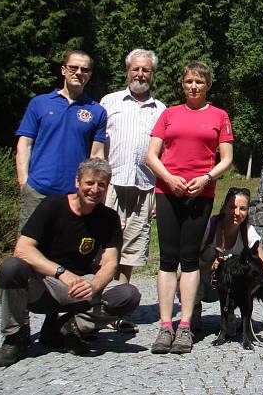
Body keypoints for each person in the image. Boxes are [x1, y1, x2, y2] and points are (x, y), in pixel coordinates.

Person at [0, 158, 141, 367]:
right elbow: (23, 249)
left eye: (101, 185)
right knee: (11, 267)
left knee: (127, 295)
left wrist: (94, 285)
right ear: (77, 182)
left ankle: (68, 327)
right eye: (89, 183)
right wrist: (61, 273)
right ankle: (15, 338)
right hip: (44, 282)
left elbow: (110, 263)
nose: (95, 189)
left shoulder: (109, 217)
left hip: (80, 285)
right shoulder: (52, 205)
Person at [146, 61, 234, 354]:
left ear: (208, 85)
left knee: (190, 259)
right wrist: (169, 178)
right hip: (168, 191)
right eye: (189, 82)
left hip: (201, 193)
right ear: (182, 85)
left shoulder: (219, 116)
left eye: (199, 82)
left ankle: (185, 326)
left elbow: (226, 158)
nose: (194, 86)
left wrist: (207, 177)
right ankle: (165, 326)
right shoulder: (168, 114)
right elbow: (151, 155)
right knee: (167, 259)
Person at [100, 49, 166, 332]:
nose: (141, 74)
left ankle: (120, 310)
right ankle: (95, 306)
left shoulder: (161, 110)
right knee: (103, 247)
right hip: (110, 185)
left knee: (129, 252)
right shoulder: (109, 102)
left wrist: (157, 193)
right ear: (127, 70)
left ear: (153, 75)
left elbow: (163, 155)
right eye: (136, 69)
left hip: (143, 187)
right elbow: (98, 144)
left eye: (146, 70)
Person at [15, 50, 107, 228]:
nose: (78, 72)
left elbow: (97, 154)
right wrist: (24, 183)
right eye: (73, 67)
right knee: (28, 248)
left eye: (84, 69)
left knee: (66, 250)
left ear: (90, 75)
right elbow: (25, 145)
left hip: (73, 194)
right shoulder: (39, 103)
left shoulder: (97, 111)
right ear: (63, 70)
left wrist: (95, 189)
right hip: (38, 190)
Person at [194, 187, 263, 332]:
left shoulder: (248, 232)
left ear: (247, 211)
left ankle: (230, 313)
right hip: (203, 283)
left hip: (231, 290)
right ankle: (194, 309)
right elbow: (187, 265)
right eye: (232, 207)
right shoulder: (208, 228)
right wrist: (212, 265)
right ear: (224, 207)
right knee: (203, 261)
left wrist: (248, 290)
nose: (237, 213)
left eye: (242, 208)